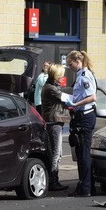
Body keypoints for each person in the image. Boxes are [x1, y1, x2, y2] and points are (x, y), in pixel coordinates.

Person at [64, 50, 97, 197]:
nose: (69, 67)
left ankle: (86, 188)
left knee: (83, 154)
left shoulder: (85, 76)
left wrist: (75, 103)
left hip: (85, 116)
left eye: (70, 64)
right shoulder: (80, 75)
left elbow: (92, 97)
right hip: (81, 115)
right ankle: (87, 186)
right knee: (81, 152)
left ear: (78, 62)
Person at [40, 63, 70, 191]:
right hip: (54, 122)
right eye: (61, 75)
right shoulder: (51, 89)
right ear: (56, 75)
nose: (62, 77)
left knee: (57, 153)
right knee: (55, 153)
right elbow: (67, 98)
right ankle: (53, 181)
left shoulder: (52, 86)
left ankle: (53, 179)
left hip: (55, 122)